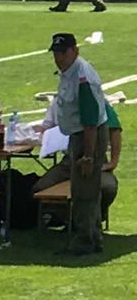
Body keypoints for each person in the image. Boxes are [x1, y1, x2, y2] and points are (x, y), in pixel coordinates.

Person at [50, 32, 110, 255]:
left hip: (87, 135)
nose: (58, 58)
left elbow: (90, 121)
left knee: (84, 191)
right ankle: (93, 237)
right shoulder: (70, 71)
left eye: (63, 53)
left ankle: (84, 241)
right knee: (85, 189)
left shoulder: (82, 76)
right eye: (56, 53)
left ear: (75, 51)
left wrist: (88, 156)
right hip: (79, 134)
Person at [35, 101, 120, 218]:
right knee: (39, 188)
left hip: (95, 160)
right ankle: (63, 218)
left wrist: (113, 162)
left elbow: (115, 130)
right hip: (69, 161)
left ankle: (96, 217)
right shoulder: (58, 102)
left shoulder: (97, 101)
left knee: (108, 187)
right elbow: (46, 129)